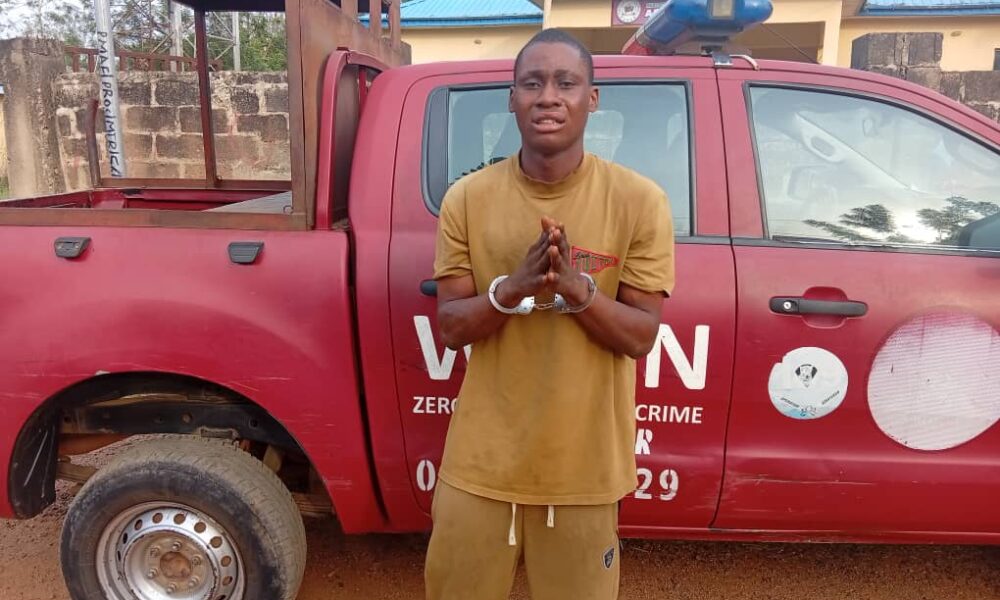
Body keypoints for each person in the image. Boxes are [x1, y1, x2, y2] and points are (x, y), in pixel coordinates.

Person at [425, 28, 675, 600]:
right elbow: (452, 326)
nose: (548, 97)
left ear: (592, 99)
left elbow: (640, 335)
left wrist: (576, 289)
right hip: (481, 465)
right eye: (532, 83)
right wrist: (511, 290)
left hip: (585, 470)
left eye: (567, 83)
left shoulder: (639, 201)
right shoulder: (467, 199)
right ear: (511, 98)